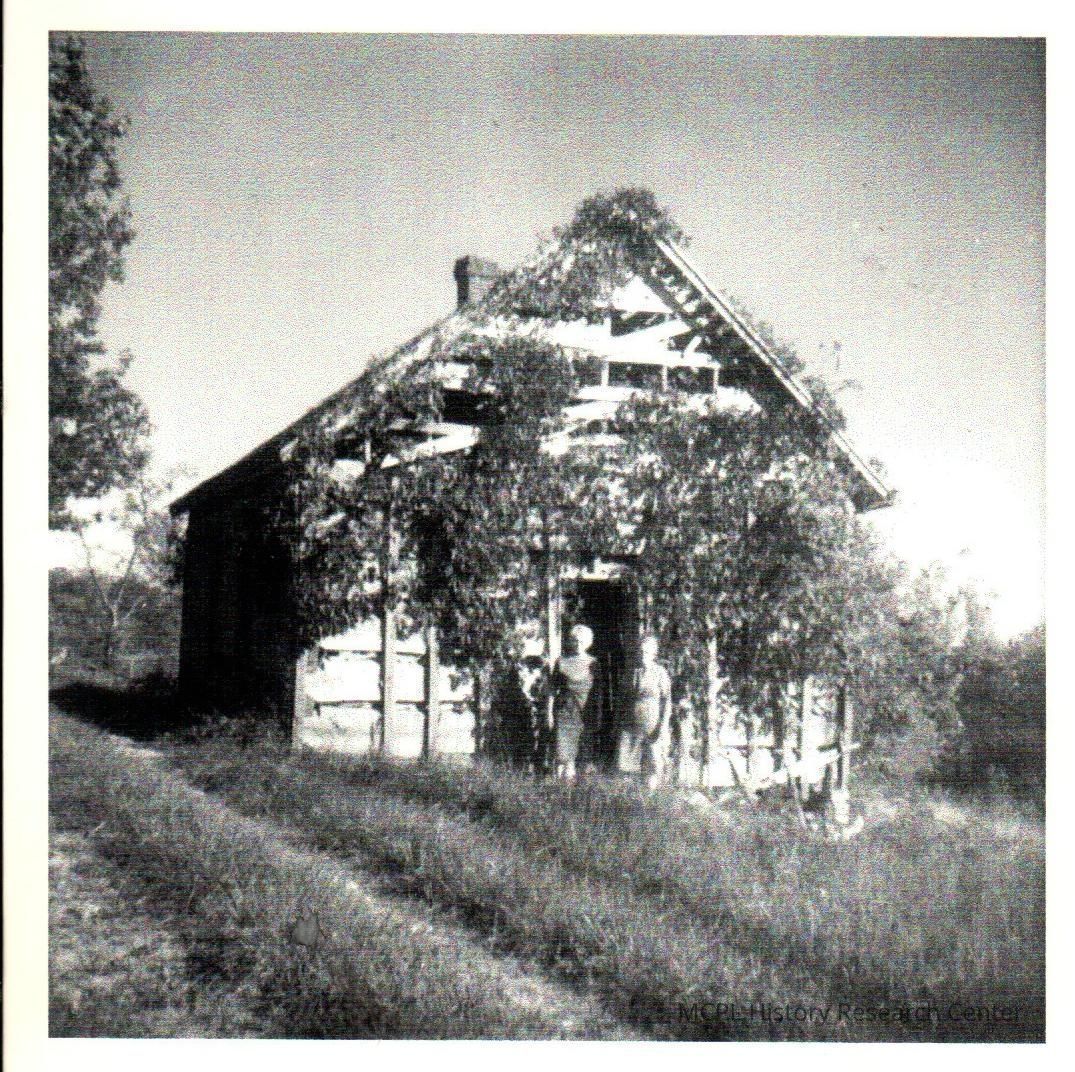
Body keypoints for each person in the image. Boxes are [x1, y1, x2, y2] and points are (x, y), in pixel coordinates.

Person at [619, 634, 672, 791]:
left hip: (652, 723)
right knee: (628, 765)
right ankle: (630, 799)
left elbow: (667, 701)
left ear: (654, 654)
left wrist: (662, 725)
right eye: (641, 652)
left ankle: (651, 798)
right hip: (631, 723)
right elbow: (623, 699)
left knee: (652, 765)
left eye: (647, 652)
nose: (643, 655)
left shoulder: (660, 672)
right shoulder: (631, 672)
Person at [550, 624, 595, 782]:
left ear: (588, 642)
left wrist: (597, 716)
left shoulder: (594, 664)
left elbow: (598, 693)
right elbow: (552, 690)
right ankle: (562, 789)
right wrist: (549, 714)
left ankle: (579, 792)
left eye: (581, 641)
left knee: (582, 757)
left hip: (585, 714)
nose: (578, 644)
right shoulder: (561, 662)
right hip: (565, 713)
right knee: (563, 757)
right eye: (575, 640)